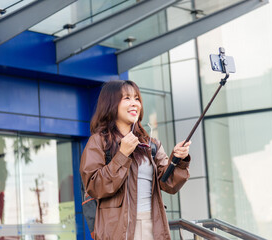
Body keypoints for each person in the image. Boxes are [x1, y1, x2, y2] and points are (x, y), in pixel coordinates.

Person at [80, 80, 191, 240]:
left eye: (137, 98)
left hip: (153, 225)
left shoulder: (151, 144)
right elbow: (93, 186)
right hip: (119, 230)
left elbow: (169, 184)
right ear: (111, 103)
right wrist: (122, 155)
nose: (134, 104)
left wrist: (179, 159)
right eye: (127, 98)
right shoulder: (98, 142)